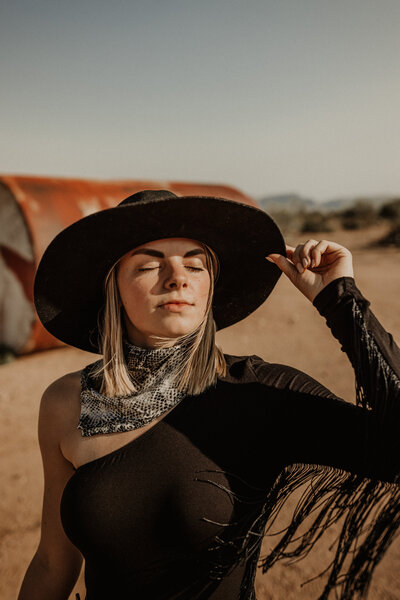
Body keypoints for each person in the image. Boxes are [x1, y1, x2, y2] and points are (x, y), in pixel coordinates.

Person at [18, 190, 400, 600]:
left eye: (195, 266)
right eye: (149, 264)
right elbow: (52, 562)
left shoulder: (261, 393)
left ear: (209, 290)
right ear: (112, 287)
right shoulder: (66, 401)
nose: (177, 277)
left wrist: (340, 300)